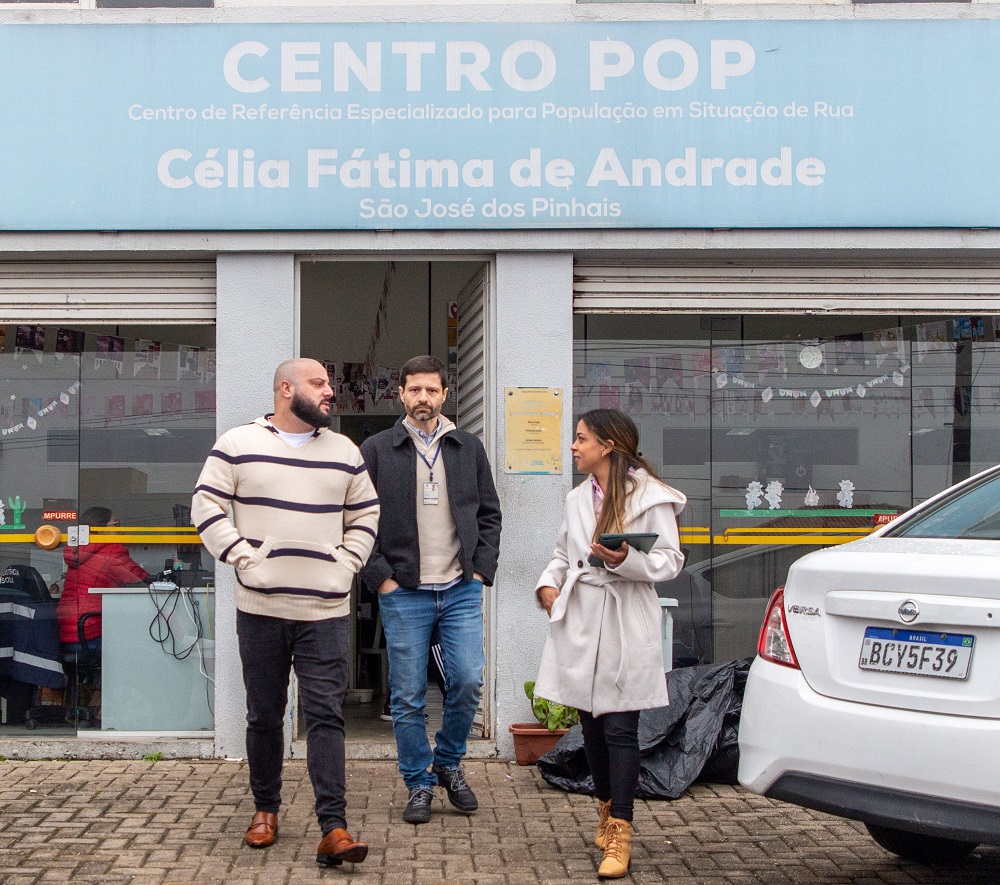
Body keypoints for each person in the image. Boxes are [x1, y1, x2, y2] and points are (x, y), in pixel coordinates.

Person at [191, 358, 379, 867]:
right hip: (261, 607)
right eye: (319, 384)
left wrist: (347, 564)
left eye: (329, 385)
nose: (330, 393)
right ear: (285, 388)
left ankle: (334, 828)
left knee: (325, 716)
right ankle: (265, 810)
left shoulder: (345, 451)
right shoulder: (237, 443)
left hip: (326, 609)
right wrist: (242, 556)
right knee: (264, 714)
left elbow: (365, 515)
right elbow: (206, 505)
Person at [534, 409, 685, 879]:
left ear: (608, 445)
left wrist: (624, 560)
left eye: (581, 439)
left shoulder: (651, 496)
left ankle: (621, 827)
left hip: (624, 618)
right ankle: (604, 809)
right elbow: (563, 553)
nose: (574, 446)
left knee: (620, 729)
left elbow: (670, 560)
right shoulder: (577, 497)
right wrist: (547, 585)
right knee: (592, 727)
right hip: (581, 618)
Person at [360, 354, 501, 825]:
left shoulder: (467, 447)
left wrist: (480, 570)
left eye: (431, 390)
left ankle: (448, 762)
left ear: (445, 394)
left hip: (460, 587)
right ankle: (419, 783)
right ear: (400, 394)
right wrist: (381, 576)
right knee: (407, 696)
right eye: (414, 389)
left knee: (466, 681)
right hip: (405, 592)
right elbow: (355, 518)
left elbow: (489, 514)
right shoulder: (378, 449)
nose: (423, 398)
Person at [56, 506, 148, 650]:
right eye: (116, 524)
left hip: (67, 634)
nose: (121, 529)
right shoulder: (111, 550)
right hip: (91, 633)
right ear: (102, 530)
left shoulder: (78, 551)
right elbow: (139, 580)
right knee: (140, 645)